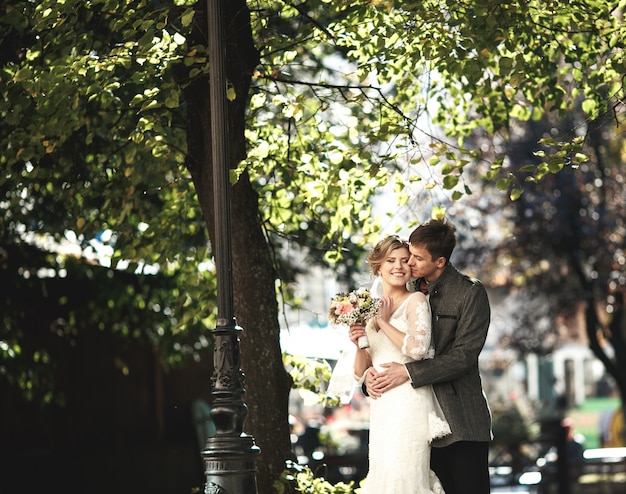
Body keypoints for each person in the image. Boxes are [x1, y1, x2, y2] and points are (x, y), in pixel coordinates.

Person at [364, 219, 493, 494]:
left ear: (440, 262)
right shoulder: (407, 289)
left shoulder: (470, 293)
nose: (408, 262)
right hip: (414, 422)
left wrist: (408, 372)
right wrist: (369, 379)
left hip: (459, 421)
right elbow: (378, 349)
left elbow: (463, 357)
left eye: (417, 258)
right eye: (409, 253)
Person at [348, 235, 451, 493]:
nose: (399, 266)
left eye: (405, 261)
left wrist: (383, 322)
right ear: (378, 267)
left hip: (409, 401)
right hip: (382, 405)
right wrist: (358, 345)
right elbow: (361, 370)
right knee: (385, 474)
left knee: (406, 472)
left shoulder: (415, 301)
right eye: (391, 260)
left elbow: (418, 349)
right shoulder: (367, 309)